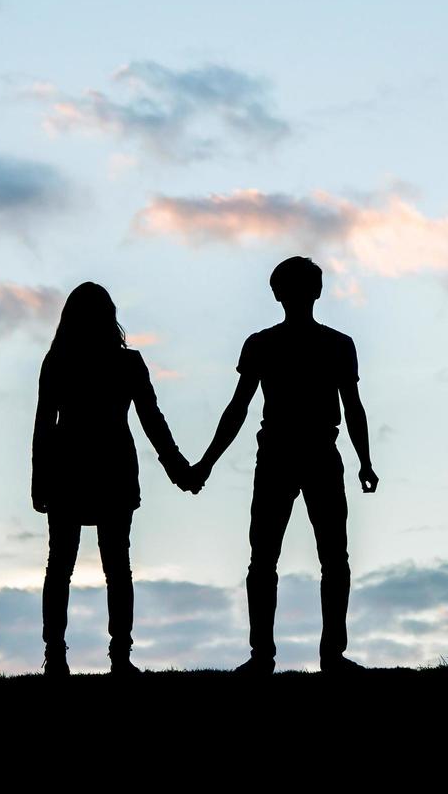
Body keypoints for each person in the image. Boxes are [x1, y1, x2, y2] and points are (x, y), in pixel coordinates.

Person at [190, 256, 379, 674]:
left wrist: (205, 464)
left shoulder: (275, 344)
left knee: (289, 559)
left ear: (279, 293)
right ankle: (303, 655)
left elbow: (351, 408)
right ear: (315, 291)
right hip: (293, 455)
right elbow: (239, 409)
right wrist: (364, 461)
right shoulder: (324, 344)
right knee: (312, 558)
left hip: (295, 455)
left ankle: (280, 655)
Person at [31, 282, 193, 678]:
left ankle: (57, 656)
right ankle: (119, 657)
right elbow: (152, 420)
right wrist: (178, 469)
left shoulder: (58, 361)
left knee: (62, 565)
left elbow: (43, 426)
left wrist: (39, 478)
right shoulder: (126, 363)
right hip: (113, 468)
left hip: (70, 468)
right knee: (116, 566)